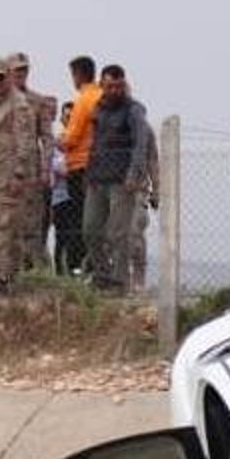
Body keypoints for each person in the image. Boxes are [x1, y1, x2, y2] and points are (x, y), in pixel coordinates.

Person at [83, 64, 148, 291]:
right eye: (109, 86)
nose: (114, 91)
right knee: (90, 229)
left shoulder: (134, 110)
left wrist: (134, 173)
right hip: (97, 177)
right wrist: (88, 173)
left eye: (118, 86)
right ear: (102, 85)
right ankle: (103, 274)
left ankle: (120, 282)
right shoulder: (98, 109)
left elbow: (142, 143)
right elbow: (95, 144)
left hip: (122, 181)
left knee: (118, 234)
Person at [0, 57, 38, 290]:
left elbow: (26, 142)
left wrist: (19, 174)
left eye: (0, 77)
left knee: (2, 227)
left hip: (10, 175)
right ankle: (4, 275)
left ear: (8, 77)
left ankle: (0, 276)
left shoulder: (19, 104)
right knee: (0, 226)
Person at [7, 52, 55, 270]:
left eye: (24, 70)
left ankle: (34, 271)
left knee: (33, 224)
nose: (21, 74)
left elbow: (46, 137)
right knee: (6, 222)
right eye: (17, 70)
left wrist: (46, 168)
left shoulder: (38, 102)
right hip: (4, 170)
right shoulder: (0, 102)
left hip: (31, 171)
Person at [60, 55, 101, 274]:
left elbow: (72, 137)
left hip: (79, 165)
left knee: (78, 220)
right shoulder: (101, 96)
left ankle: (77, 265)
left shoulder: (83, 100)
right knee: (96, 218)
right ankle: (95, 264)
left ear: (78, 74)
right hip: (99, 165)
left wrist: (61, 141)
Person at [128, 118, 160, 291]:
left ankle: (138, 279)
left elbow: (153, 160)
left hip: (137, 190)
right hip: (111, 188)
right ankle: (118, 279)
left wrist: (156, 189)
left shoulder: (143, 128)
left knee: (135, 235)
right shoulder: (104, 121)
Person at [50, 104, 78, 274]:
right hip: (60, 197)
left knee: (77, 236)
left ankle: (76, 270)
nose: (68, 120)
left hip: (78, 196)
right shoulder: (55, 143)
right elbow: (57, 167)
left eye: (71, 116)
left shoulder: (84, 142)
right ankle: (60, 272)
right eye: (66, 116)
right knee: (61, 236)